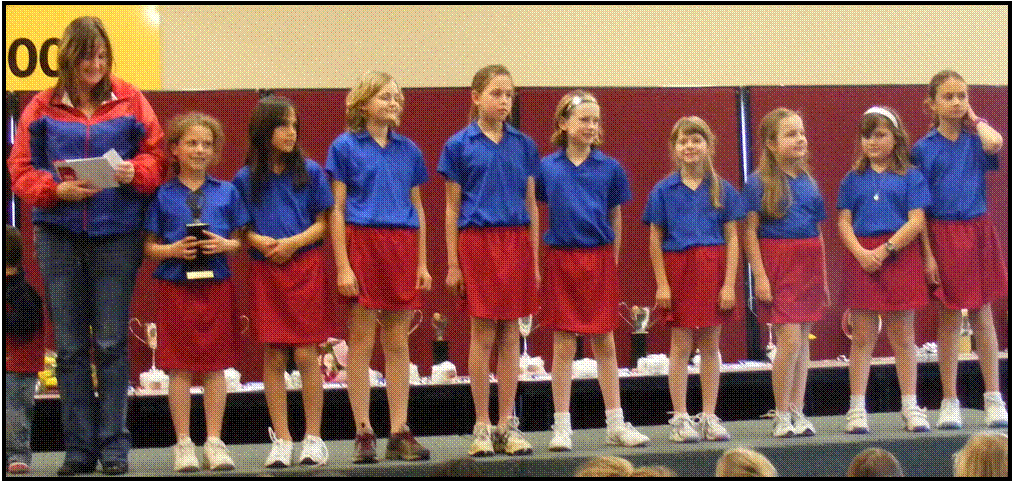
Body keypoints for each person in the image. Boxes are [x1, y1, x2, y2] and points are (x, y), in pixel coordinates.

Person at [7, 16, 166, 475]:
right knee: (71, 347)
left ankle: (114, 447)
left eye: (101, 56)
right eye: (85, 57)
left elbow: (157, 156)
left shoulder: (132, 100)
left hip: (116, 234)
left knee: (113, 342)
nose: (94, 65)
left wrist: (136, 172)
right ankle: (78, 450)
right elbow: (20, 169)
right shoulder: (41, 106)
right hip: (58, 236)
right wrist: (56, 190)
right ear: (68, 59)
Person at [326, 71, 431, 463]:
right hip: (363, 242)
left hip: (401, 245)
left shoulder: (409, 150)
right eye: (386, 96)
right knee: (361, 341)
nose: (394, 103)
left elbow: (417, 206)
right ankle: (363, 431)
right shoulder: (344, 147)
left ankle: (399, 430)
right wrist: (343, 265)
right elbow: (337, 208)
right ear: (363, 102)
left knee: (398, 341)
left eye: (397, 97)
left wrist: (422, 262)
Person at [537, 90, 649, 452]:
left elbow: (616, 215)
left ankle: (615, 423)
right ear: (563, 123)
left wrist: (611, 259)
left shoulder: (610, 168)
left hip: (599, 259)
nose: (591, 126)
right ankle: (561, 427)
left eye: (596, 120)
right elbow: (536, 209)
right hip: (561, 259)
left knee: (605, 341)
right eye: (584, 119)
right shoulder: (546, 168)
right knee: (563, 344)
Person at [438, 64, 540, 457]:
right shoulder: (458, 145)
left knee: (512, 334)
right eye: (496, 93)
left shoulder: (524, 145)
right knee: (482, 334)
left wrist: (533, 260)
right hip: (477, 242)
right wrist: (453, 263)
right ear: (476, 97)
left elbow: (531, 205)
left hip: (515, 241)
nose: (504, 101)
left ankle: (506, 424)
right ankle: (481, 424)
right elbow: (452, 209)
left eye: (509, 95)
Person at [143, 112, 248, 472]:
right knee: (179, 367)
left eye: (207, 144)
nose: (200, 149)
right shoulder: (161, 195)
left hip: (216, 286)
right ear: (174, 148)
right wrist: (172, 250)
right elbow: (148, 247)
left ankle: (214, 442)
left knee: (216, 366)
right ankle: (184, 443)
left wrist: (225, 245)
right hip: (176, 287)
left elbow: (240, 241)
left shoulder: (228, 192)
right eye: (192, 143)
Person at [233, 95, 334, 467]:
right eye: (282, 125)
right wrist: (258, 241)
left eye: (294, 125)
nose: (291, 132)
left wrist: (293, 243)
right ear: (264, 130)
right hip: (266, 271)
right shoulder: (245, 178)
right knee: (274, 355)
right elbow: (241, 230)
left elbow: (323, 224)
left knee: (307, 354)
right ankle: (282, 439)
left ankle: (313, 438)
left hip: (305, 267)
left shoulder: (310, 171)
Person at [911, 70, 1007, 430]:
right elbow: (919, 209)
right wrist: (928, 254)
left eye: (962, 96)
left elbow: (996, 142)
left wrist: (976, 119)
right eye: (948, 96)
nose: (956, 102)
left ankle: (993, 397)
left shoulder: (976, 140)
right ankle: (949, 400)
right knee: (949, 317)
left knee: (983, 315)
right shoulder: (923, 149)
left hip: (977, 230)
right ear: (931, 104)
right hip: (943, 234)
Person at [644, 116, 746, 443]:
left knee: (710, 345)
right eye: (683, 141)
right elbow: (655, 240)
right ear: (674, 148)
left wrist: (729, 284)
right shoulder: (663, 190)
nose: (689, 146)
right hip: (679, 270)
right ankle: (680, 417)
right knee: (681, 345)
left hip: (713, 269)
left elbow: (733, 238)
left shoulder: (722, 189)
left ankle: (709, 416)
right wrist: (662, 284)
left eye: (696, 140)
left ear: (709, 145)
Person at [838, 106, 932, 433]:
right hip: (862, 258)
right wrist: (861, 253)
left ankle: (910, 406)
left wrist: (886, 249)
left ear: (896, 137)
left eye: (880, 135)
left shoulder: (911, 177)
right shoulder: (852, 179)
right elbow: (844, 222)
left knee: (903, 338)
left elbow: (917, 221)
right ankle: (856, 409)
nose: (872, 142)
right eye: (867, 136)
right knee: (862, 337)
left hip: (899, 256)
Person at [742, 108, 829, 438]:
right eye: (791, 134)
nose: (800, 139)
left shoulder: (809, 183)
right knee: (789, 341)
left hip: (808, 263)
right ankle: (780, 413)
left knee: (803, 341)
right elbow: (750, 233)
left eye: (801, 132)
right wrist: (760, 276)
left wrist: (823, 277)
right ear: (771, 143)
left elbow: (818, 233)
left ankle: (797, 409)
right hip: (779, 263)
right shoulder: (758, 183)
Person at [6, 225, 45, 474]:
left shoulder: (22, 292)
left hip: (18, 365)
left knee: (15, 412)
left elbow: (26, 324)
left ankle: (18, 453)